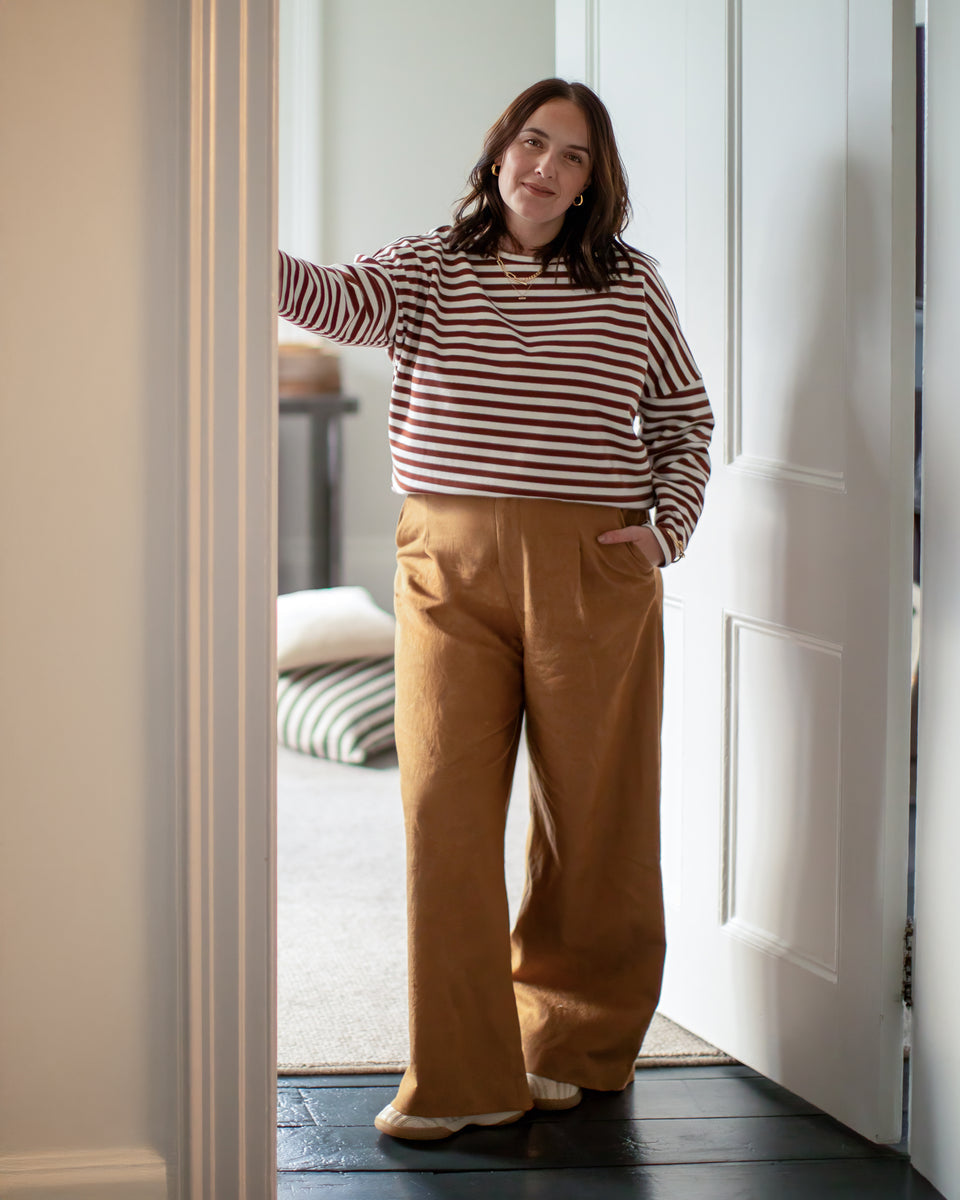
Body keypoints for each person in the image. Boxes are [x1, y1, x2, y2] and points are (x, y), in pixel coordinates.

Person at [278, 77, 713, 1141]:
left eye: (572, 156)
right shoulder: (427, 267)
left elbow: (685, 419)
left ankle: (571, 1041)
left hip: (591, 569)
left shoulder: (631, 287)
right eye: (533, 142)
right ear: (498, 152)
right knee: (442, 814)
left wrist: (665, 531)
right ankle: (462, 1075)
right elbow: (332, 299)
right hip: (447, 566)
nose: (546, 167)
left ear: (591, 183)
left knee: (591, 818)